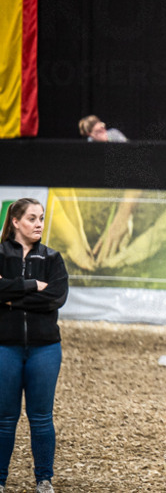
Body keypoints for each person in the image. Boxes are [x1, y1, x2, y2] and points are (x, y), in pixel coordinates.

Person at [0, 199, 69, 493]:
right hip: (5, 348)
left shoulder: (53, 258)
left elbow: (56, 297)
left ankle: (44, 480)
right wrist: (31, 286)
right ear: (15, 221)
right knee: (4, 419)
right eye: (32, 218)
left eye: (41, 218)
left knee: (41, 419)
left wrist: (10, 296)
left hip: (45, 349)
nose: (39, 223)